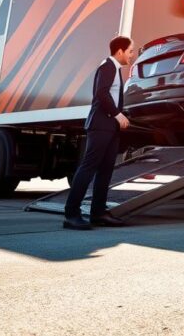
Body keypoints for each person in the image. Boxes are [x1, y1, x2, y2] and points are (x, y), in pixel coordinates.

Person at [63, 35, 135, 230]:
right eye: (130, 51)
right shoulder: (107, 66)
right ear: (119, 51)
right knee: (88, 168)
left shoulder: (116, 69)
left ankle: (98, 213)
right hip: (101, 125)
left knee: (105, 171)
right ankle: (71, 214)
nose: (132, 55)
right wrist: (117, 114)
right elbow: (101, 93)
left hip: (110, 127)